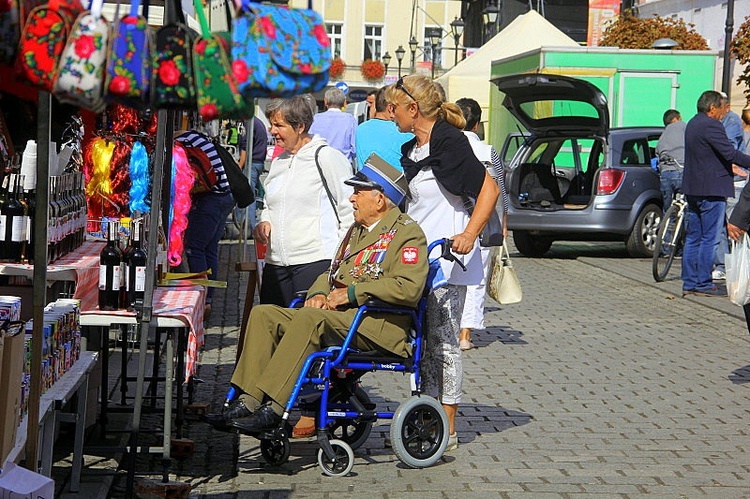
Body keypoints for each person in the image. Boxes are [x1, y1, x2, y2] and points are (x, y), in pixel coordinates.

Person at [204, 159, 428, 434]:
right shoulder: (357, 230)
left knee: (311, 319)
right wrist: (321, 292)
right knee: (265, 314)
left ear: (379, 199)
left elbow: (408, 288)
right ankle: (248, 401)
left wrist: (351, 294)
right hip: (343, 319)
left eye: (358, 192)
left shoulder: (407, 234)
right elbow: (331, 271)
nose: (351, 198)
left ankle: (275, 408)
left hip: (377, 324)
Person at [386, 75, 500, 450]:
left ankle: (447, 427)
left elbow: (490, 189)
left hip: (449, 258)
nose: (390, 113)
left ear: (413, 109)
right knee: (422, 342)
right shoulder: (415, 149)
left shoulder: (450, 142)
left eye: (395, 107)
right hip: (418, 259)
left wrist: (469, 233)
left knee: (445, 343)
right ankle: (426, 412)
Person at [254, 95, 354, 307]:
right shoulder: (279, 161)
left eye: (279, 125)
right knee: (272, 328)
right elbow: (269, 202)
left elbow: (349, 208)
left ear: (300, 126)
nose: (272, 131)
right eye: (272, 124)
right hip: (275, 262)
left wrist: (338, 257)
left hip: (314, 262)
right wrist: (264, 221)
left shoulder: (326, 157)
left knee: (304, 332)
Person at [681, 90, 750, 297]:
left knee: (694, 237)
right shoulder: (712, 125)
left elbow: (707, 155)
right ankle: (702, 282)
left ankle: (690, 281)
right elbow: (729, 153)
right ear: (712, 108)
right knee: (709, 238)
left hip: (693, 188)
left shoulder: (693, 123)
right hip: (711, 189)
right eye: (722, 107)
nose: (724, 112)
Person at [454, 97, 509, 351]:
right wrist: (504, 223)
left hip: (453, 219)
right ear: (477, 125)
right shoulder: (489, 153)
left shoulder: (446, 148)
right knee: (477, 278)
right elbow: (501, 191)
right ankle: (465, 335)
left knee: (451, 276)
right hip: (484, 221)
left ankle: (447, 327)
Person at [176, 130, 237, 313]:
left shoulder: (181, 142)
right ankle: (208, 298)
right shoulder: (195, 136)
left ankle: (200, 299)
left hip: (214, 198)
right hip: (226, 196)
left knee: (195, 247)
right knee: (209, 248)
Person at [714, 94, 749, 281]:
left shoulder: (732, 121)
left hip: (736, 179)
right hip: (731, 178)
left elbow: (728, 149)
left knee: (731, 224)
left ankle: (727, 265)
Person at [355, 86, 413, 171]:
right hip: (398, 183)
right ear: (391, 108)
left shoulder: (361, 128)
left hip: (367, 182)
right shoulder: (404, 131)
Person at [309, 87, 357, 164]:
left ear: (325, 101)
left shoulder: (316, 119)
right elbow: (354, 147)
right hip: (342, 163)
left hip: (319, 163)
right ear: (344, 102)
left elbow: (309, 142)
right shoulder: (350, 119)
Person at [236, 117, 269, 228]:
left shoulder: (249, 123)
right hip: (258, 161)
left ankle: (249, 226)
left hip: (253, 162)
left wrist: (239, 165)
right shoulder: (255, 121)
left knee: (248, 195)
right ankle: (247, 223)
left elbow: (245, 146)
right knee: (251, 192)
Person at [655, 109, 686, 212]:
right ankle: (684, 226)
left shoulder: (662, 137)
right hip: (681, 171)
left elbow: (657, 155)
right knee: (688, 208)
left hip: (665, 175)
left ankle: (667, 226)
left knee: (667, 209)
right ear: (675, 119)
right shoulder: (682, 126)